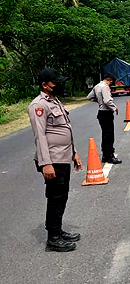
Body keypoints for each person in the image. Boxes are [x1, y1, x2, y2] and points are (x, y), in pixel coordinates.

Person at [28, 68, 83, 252]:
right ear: (45, 85)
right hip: (52, 159)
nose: (59, 85)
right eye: (56, 82)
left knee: (62, 196)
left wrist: (74, 152)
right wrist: (46, 163)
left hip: (63, 157)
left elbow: (65, 129)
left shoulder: (55, 101)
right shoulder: (38, 105)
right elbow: (40, 137)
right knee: (55, 197)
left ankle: (58, 231)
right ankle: (53, 238)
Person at [87, 73, 121, 164]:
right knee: (109, 136)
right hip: (106, 113)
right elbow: (107, 100)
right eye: (111, 82)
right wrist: (114, 108)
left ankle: (105, 155)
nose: (111, 84)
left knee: (105, 135)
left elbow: (89, 97)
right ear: (109, 79)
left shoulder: (97, 86)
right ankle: (110, 156)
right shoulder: (105, 87)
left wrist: (99, 101)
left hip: (101, 113)